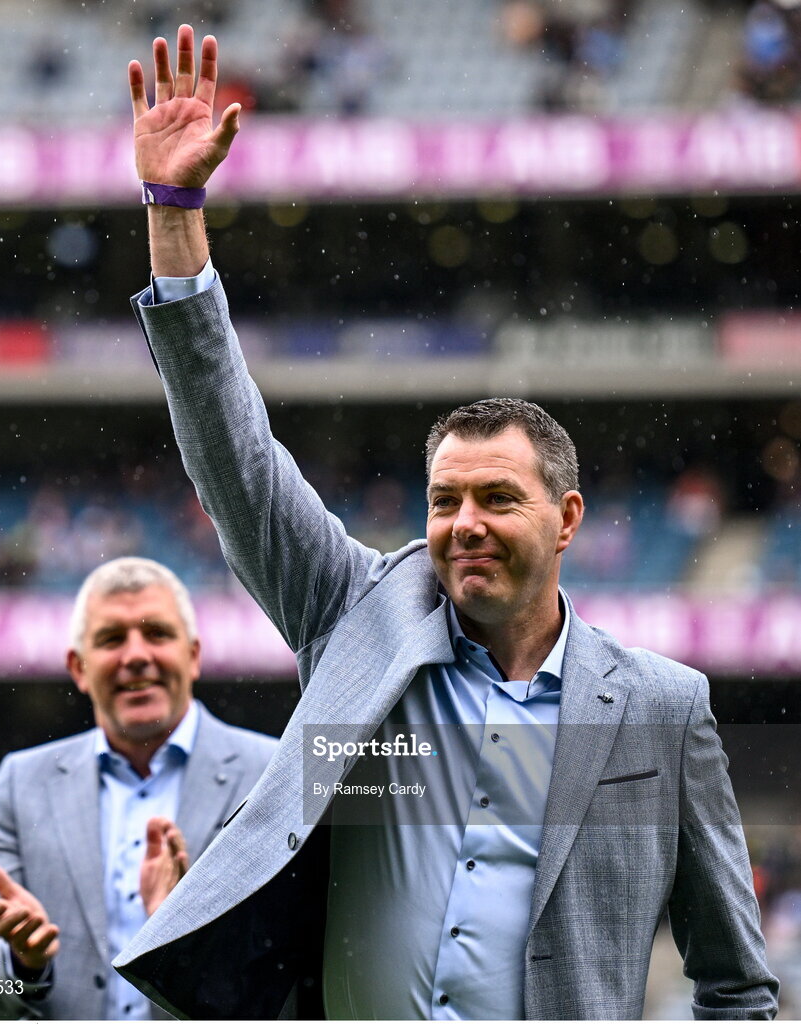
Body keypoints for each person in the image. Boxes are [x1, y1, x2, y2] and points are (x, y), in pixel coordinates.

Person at [113, 28, 779, 1020]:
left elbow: (736, 983)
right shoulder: (355, 612)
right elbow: (236, 461)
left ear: (568, 520)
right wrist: (175, 217)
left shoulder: (660, 709)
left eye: (497, 498)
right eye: (445, 499)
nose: (463, 523)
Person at [0, 556, 277, 1019]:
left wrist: (182, 935)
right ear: (78, 667)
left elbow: (291, 977)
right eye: (111, 639)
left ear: (193, 655)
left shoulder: (272, 773)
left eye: (157, 634)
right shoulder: (20, 782)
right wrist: (21, 964)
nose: (135, 656)